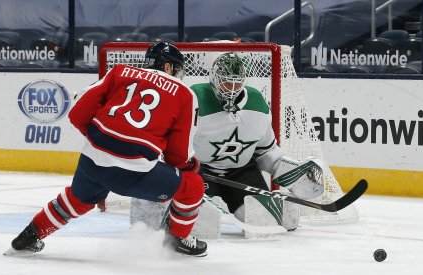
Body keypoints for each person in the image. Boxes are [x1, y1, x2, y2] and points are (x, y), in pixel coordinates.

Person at [5, 41, 207, 257]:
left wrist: (101, 139)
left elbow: (78, 113)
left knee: (77, 200)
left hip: (92, 160)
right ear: (168, 67)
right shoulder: (184, 94)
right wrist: (190, 166)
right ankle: (177, 239)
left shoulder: (120, 72)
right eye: (176, 69)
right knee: (193, 185)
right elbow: (178, 155)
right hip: (131, 173)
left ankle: (28, 237)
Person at [129, 52, 325, 237]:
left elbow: (267, 151)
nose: (231, 89)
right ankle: (158, 208)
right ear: (214, 79)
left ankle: (278, 207)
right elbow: (173, 147)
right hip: (201, 171)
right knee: (200, 224)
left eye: (236, 83)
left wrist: (293, 172)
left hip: (241, 171)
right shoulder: (194, 99)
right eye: (226, 83)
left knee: (262, 221)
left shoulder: (256, 103)